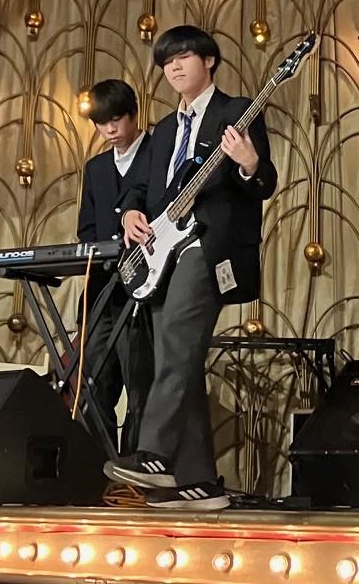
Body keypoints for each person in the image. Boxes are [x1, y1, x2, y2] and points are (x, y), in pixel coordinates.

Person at [105, 26, 277, 510]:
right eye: (167, 62)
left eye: (183, 57)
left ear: (210, 61)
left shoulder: (236, 111)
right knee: (176, 356)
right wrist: (130, 212)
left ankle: (153, 454)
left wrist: (248, 163)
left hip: (210, 247)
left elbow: (264, 183)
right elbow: (139, 188)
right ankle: (198, 483)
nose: (175, 67)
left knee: (178, 340)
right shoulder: (162, 130)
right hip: (163, 251)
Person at [74, 78, 155, 454]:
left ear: (133, 115)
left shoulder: (156, 152)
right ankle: (98, 469)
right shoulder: (96, 168)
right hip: (102, 291)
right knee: (94, 383)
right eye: (100, 123)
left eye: (116, 120)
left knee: (141, 386)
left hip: (144, 289)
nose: (109, 129)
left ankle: (134, 471)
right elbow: (86, 229)